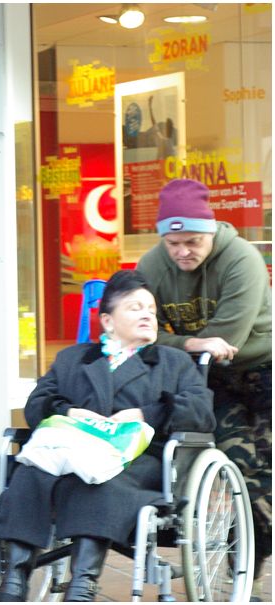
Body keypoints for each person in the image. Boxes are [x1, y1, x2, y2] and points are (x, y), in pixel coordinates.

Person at [0, 270, 214, 601]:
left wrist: (145, 414)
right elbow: (37, 405)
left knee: (99, 480)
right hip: (69, 452)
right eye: (135, 307)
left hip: (138, 462)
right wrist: (68, 412)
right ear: (107, 321)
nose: (148, 314)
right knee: (30, 472)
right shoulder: (73, 359)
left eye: (150, 307)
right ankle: (13, 584)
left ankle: (82, 586)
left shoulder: (172, 362)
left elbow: (201, 411)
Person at [136, 178, 272, 597]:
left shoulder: (241, 259)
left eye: (193, 241)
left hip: (261, 363)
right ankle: (252, 545)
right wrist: (192, 343)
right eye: (173, 243)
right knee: (239, 459)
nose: (182, 252)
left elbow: (227, 338)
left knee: (265, 460)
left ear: (211, 231)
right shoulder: (152, 266)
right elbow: (141, 331)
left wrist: (182, 343)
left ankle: (254, 541)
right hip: (208, 370)